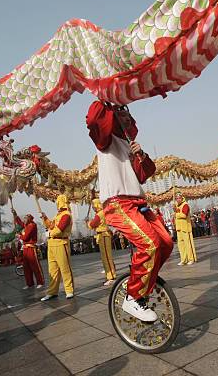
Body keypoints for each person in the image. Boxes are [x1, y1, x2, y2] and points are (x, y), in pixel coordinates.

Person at [86, 100, 173, 322]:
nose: (126, 116)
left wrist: (140, 154)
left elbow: (145, 174)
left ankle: (145, 282)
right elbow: (95, 119)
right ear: (112, 116)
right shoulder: (104, 140)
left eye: (127, 113)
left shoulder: (129, 143)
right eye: (120, 112)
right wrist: (104, 96)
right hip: (118, 203)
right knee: (150, 244)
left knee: (165, 242)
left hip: (138, 203)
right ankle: (133, 297)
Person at [40, 194, 74, 300]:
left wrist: (49, 234)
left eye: (58, 201)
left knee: (65, 268)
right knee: (52, 269)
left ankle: (69, 290)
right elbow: (51, 226)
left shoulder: (66, 215)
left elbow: (60, 229)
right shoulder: (57, 215)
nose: (57, 203)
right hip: (52, 244)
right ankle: (52, 291)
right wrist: (45, 218)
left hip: (61, 242)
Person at [12, 209, 45, 289]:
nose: (24, 220)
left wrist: (19, 236)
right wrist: (15, 215)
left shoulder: (32, 225)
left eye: (25, 219)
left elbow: (25, 237)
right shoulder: (27, 225)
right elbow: (20, 223)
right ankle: (29, 283)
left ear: (29, 219)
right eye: (24, 218)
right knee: (26, 267)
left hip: (31, 248)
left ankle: (40, 282)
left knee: (35, 266)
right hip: (25, 248)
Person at [87, 198, 116, 285]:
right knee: (106, 257)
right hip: (102, 235)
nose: (93, 207)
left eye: (93, 205)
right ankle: (109, 275)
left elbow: (92, 225)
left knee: (106, 257)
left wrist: (88, 222)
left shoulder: (99, 214)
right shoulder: (101, 213)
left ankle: (111, 276)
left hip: (103, 235)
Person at [174, 192, 197, 265]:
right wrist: (176, 211)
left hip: (185, 227)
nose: (178, 200)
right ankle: (183, 259)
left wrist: (176, 213)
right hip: (179, 228)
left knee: (188, 244)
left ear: (182, 198)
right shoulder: (177, 206)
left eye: (179, 198)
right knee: (180, 245)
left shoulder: (185, 205)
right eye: (176, 198)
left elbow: (184, 215)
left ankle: (191, 259)